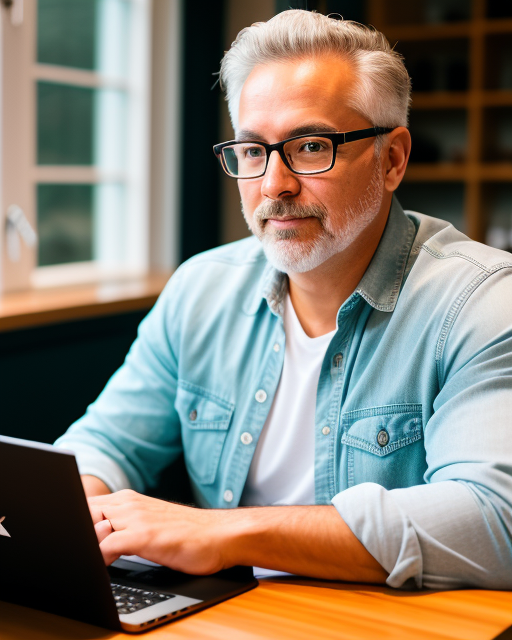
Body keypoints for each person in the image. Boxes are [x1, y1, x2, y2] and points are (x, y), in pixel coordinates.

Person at [55, 10, 512, 590]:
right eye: (252, 151)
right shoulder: (202, 288)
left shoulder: (483, 303)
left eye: (311, 146)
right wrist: (72, 511)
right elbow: (104, 445)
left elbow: (496, 521)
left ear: (392, 159)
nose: (274, 185)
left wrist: (224, 534)